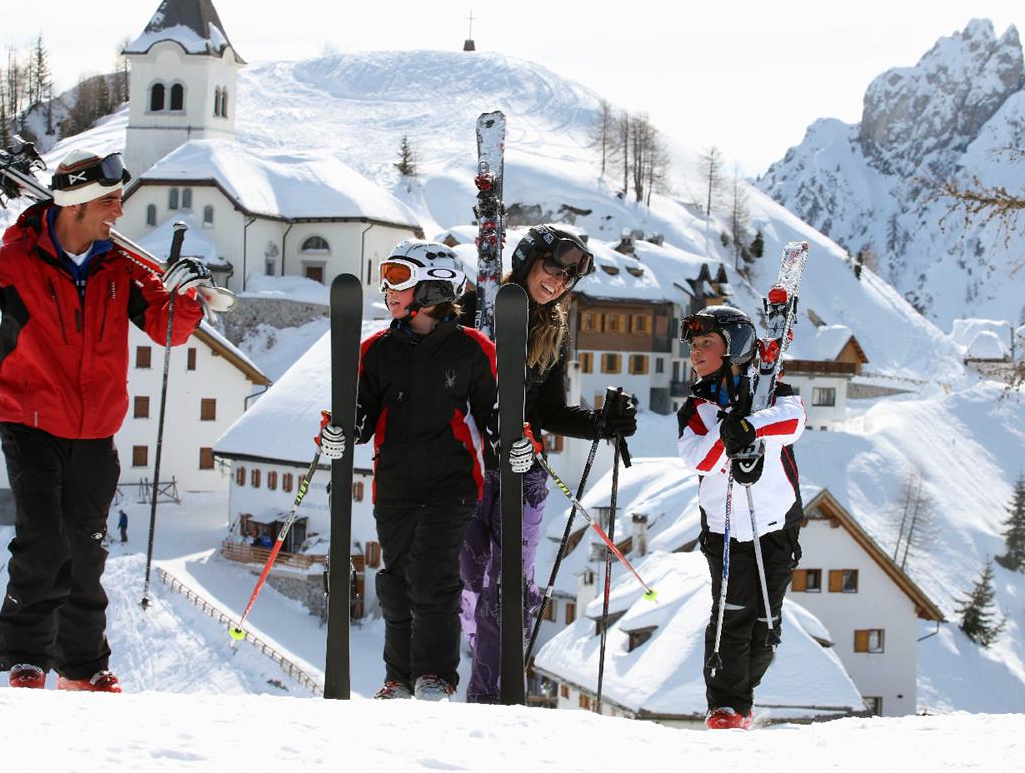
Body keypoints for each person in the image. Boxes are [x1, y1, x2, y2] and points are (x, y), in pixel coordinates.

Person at [0, 149, 219, 692]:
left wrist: (185, 297)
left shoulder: (122, 265)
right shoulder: (18, 260)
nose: (119, 212)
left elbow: (167, 328)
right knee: (44, 543)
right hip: (32, 423)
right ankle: (28, 661)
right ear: (76, 206)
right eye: (110, 201)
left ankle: (83, 668)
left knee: (86, 549)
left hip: (95, 431)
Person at [457, 224, 637, 704]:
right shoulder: (476, 308)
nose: (557, 281)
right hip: (468, 466)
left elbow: (551, 411)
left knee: (510, 589)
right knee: (469, 582)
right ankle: (478, 662)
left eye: (567, 277)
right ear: (528, 258)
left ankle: (492, 695)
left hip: (523, 473)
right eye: (552, 267)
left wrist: (603, 423)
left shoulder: (555, 330)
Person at [316, 240, 497, 701]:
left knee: (432, 575)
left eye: (398, 277)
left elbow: (496, 418)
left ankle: (435, 675)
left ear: (434, 288)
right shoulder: (376, 350)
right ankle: (398, 677)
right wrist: (337, 430)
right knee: (395, 580)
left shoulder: (473, 349)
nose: (387, 287)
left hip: (452, 484)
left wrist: (518, 444)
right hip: (394, 484)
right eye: (386, 275)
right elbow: (358, 417)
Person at [675, 305, 806, 730]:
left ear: (736, 348)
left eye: (706, 344)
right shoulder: (697, 408)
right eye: (694, 346)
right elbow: (697, 458)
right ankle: (726, 706)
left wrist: (749, 425)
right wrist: (727, 433)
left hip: (775, 523)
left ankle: (745, 697)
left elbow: (793, 421)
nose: (696, 354)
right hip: (727, 529)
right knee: (732, 614)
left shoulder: (772, 393)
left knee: (767, 620)